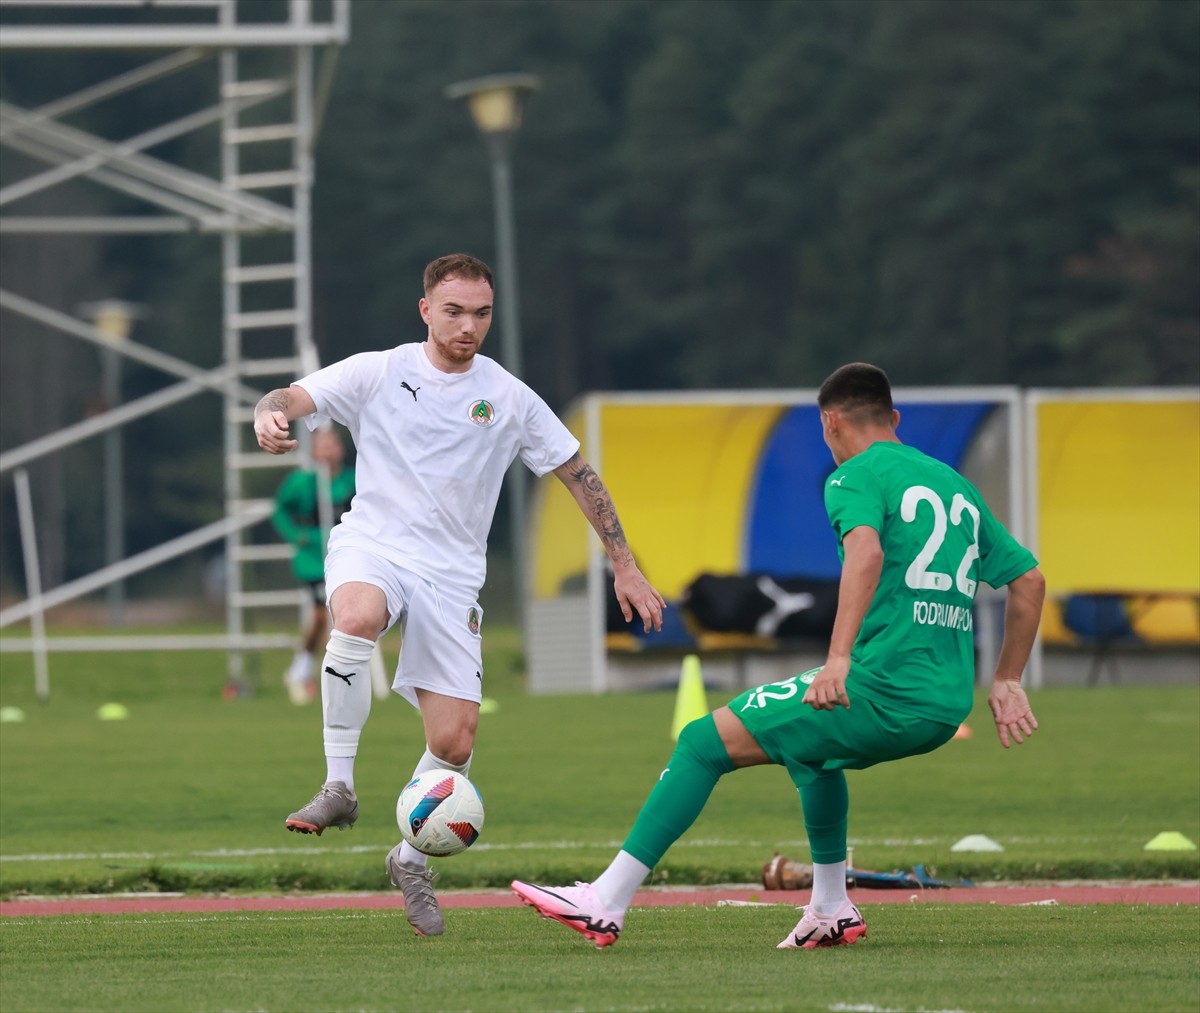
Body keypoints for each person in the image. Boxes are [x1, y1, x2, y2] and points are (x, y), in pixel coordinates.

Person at [512, 362, 1044, 950]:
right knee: (814, 756)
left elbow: (864, 554)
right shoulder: (954, 484)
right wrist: (1008, 678)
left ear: (829, 423)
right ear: (893, 419)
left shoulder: (853, 477)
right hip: (945, 701)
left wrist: (838, 659)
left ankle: (605, 900)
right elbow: (1030, 581)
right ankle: (830, 906)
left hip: (884, 688)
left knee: (701, 743)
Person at [252, 252, 666, 937]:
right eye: (454, 311)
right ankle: (339, 786)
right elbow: (290, 397)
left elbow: (576, 472)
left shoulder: (507, 395)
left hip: (452, 574)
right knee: (354, 615)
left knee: (455, 739)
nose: (469, 325)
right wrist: (269, 417)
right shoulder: (379, 370)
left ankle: (411, 858)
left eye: (481, 313)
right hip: (375, 543)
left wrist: (624, 562)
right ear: (425, 311)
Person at [271, 426, 356, 705]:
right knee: (322, 615)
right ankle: (301, 670)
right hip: (314, 560)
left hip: (348, 556)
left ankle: (332, 674)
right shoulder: (303, 482)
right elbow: (280, 509)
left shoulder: (352, 480)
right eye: (321, 445)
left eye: (332, 444)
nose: (327, 451)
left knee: (348, 618)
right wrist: (297, 536)